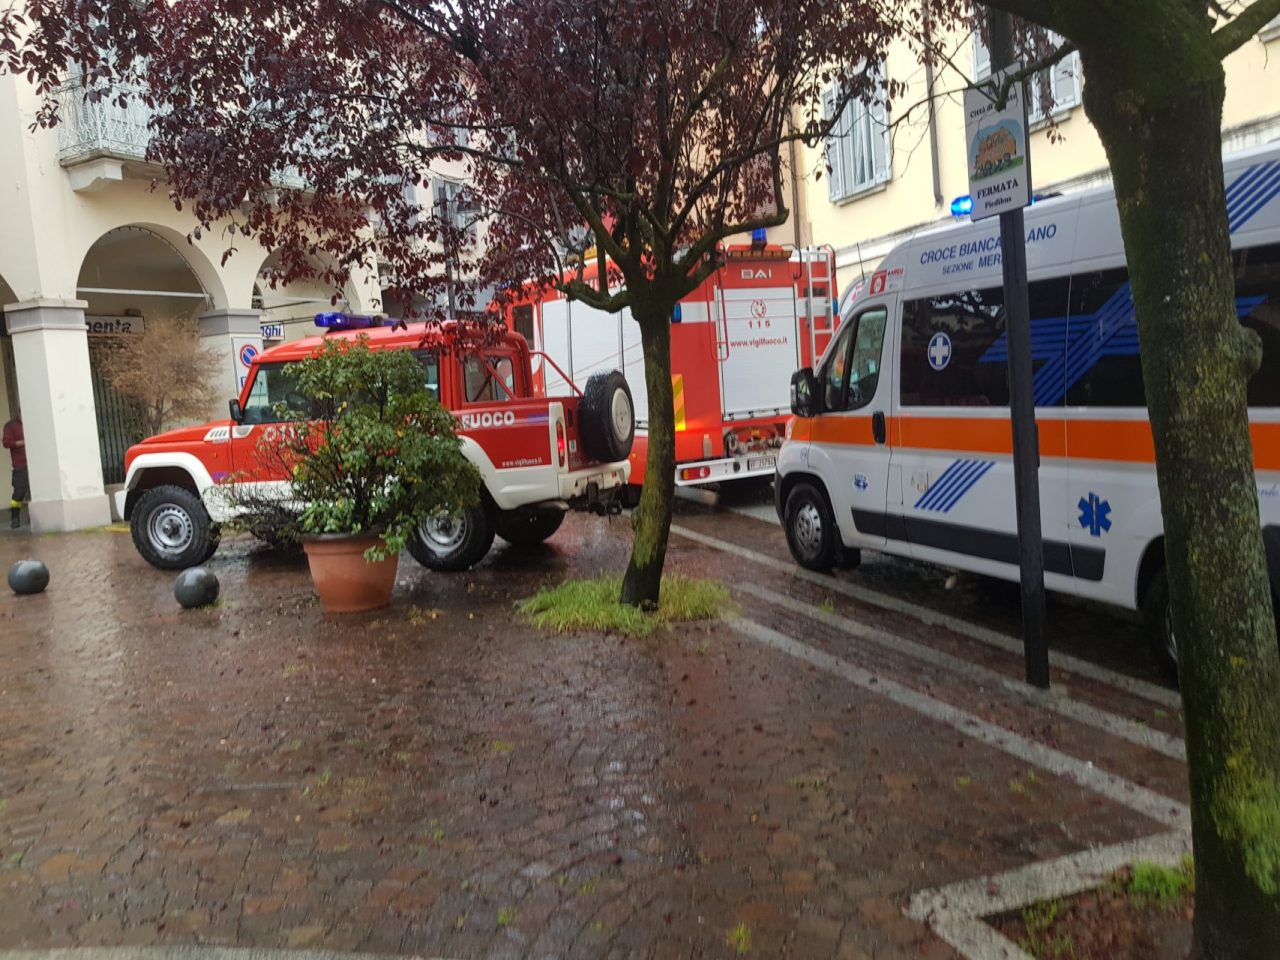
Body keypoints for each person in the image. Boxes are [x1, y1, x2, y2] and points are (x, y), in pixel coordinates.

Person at [3, 411, 27, 529]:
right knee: (19, 493)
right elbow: (6, 443)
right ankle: (15, 517)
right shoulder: (10, 425)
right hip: (20, 465)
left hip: (35, 463)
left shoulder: (32, 423)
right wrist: (22, 443)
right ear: (19, 413)